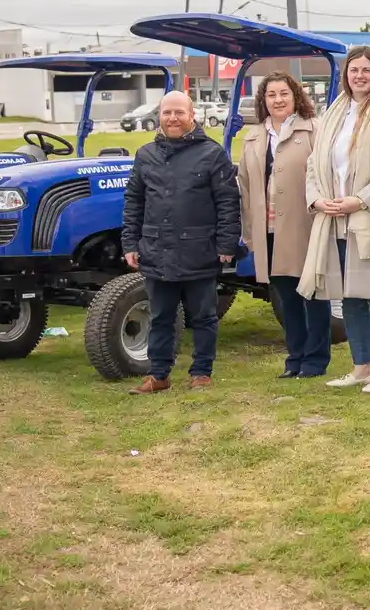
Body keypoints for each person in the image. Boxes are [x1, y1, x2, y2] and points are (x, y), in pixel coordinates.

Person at [299, 46, 370, 394]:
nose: (359, 75)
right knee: (350, 295)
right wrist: (317, 199)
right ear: (345, 74)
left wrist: (360, 200)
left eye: (366, 70)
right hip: (334, 218)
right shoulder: (334, 113)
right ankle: (361, 366)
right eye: (353, 70)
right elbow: (314, 164)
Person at [122, 91, 241, 394]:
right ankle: (159, 375)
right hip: (156, 250)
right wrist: (130, 243)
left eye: (179, 112)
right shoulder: (145, 155)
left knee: (203, 316)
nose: (173, 118)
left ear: (192, 116)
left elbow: (228, 203)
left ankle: (201, 372)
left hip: (199, 250)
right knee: (161, 316)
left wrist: (227, 245)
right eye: (166, 113)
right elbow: (134, 201)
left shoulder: (212, 155)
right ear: (158, 117)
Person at [238, 72, 333, 378]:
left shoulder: (313, 130)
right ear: (263, 101)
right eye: (271, 95)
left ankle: (316, 360)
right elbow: (245, 186)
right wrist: (249, 232)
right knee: (286, 298)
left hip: (304, 225)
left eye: (284, 94)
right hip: (268, 230)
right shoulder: (253, 137)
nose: (278, 100)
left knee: (313, 294)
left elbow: (325, 175)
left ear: (295, 97)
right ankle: (295, 358)